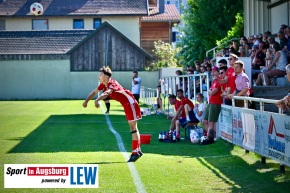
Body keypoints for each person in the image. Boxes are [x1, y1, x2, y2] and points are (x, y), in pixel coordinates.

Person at [82, 66, 142, 162]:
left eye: (100, 74)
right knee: (133, 128)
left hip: (130, 103)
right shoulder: (104, 84)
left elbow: (106, 93)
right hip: (127, 104)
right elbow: (94, 92)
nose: (98, 76)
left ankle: (136, 152)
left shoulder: (111, 83)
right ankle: (137, 151)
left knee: (133, 128)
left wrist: (97, 100)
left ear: (106, 76)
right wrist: (86, 101)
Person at [201, 66, 223, 145]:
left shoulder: (219, 81)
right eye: (211, 71)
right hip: (211, 102)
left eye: (213, 71)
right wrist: (210, 91)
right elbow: (210, 91)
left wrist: (210, 91)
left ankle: (209, 138)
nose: (212, 73)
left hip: (215, 103)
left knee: (211, 122)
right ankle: (211, 136)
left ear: (218, 72)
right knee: (204, 121)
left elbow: (212, 92)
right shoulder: (214, 81)